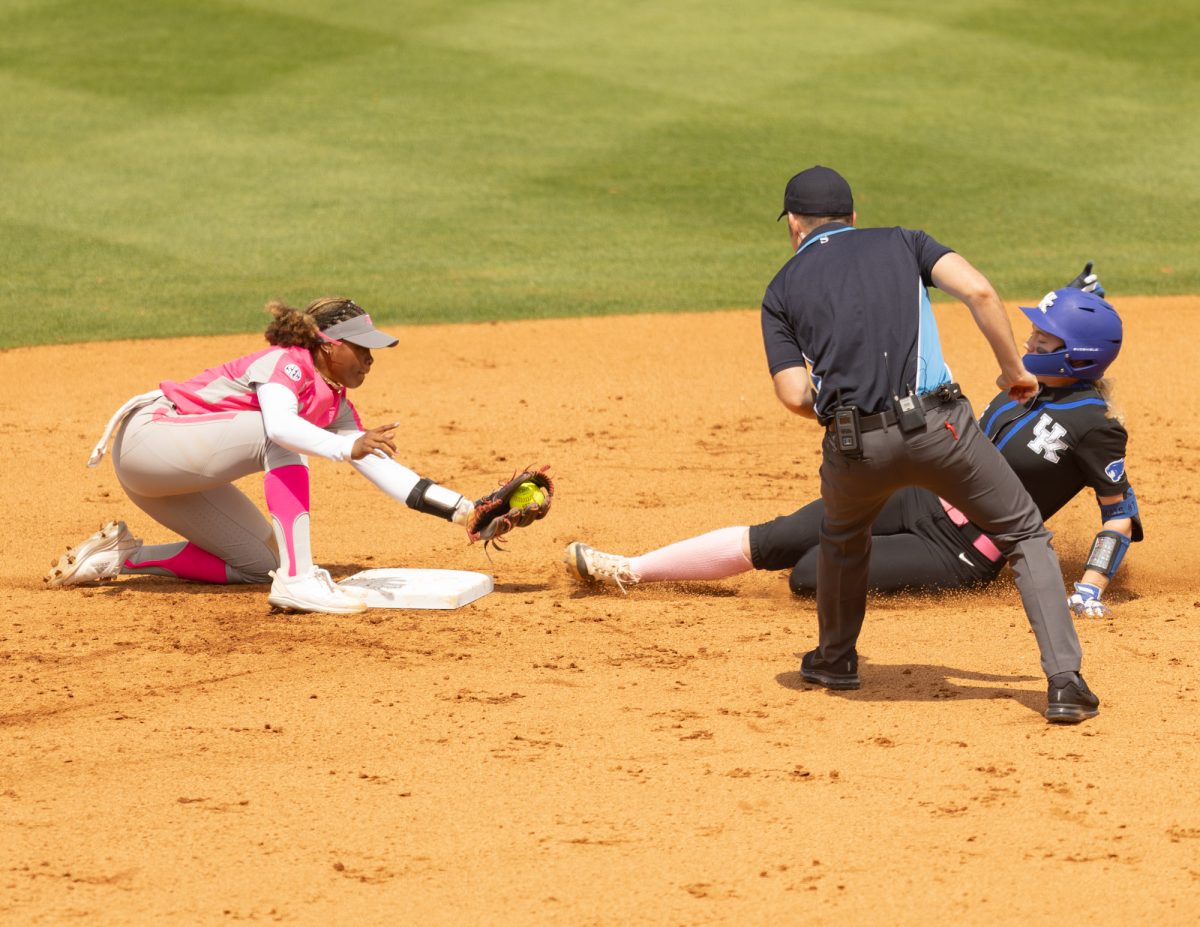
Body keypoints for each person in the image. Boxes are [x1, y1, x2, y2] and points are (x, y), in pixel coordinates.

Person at [570, 165, 1103, 724]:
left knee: (843, 540)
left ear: (794, 226)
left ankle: (834, 661)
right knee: (1023, 533)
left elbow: (794, 391)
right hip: (940, 430)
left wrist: (850, 419)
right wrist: (1013, 369)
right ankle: (1065, 684)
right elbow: (978, 290)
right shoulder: (905, 242)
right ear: (853, 217)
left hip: (854, 447)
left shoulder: (781, 289)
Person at [564, 270, 1140, 624]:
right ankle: (631, 569)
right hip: (917, 493)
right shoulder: (1023, 383)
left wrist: (1088, 587)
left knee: (810, 575)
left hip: (960, 552)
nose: (1029, 339)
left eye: (1046, 335)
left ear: (1078, 355)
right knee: (781, 536)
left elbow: (1120, 515)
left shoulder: (1096, 425)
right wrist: (1078, 299)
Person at [45, 297, 483, 614]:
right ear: (328, 344)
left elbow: (380, 467)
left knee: (261, 563)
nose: (370, 359)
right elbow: (279, 429)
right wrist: (343, 443)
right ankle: (298, 580)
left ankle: (122, 556)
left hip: (180, 478)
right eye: (361, 347)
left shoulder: (335, 402)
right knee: (287, 439)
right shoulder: (287, 364)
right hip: (149, 442)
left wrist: (467, 511)